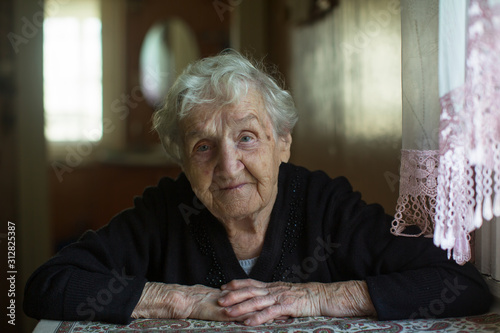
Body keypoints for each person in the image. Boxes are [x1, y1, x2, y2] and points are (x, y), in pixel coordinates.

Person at [24, 51, 492, 326]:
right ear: (184, 161)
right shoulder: (166, 211)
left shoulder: (325, 205)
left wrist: (316, 297)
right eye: (203, 146)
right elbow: (46, 286)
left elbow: (460, 284)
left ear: (282, 143)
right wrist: (185, 300)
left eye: (247, 137)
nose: (229, 166)